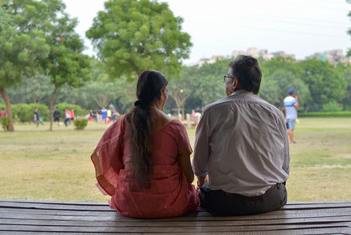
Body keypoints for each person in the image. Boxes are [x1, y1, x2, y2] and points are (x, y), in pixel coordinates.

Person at [91, 70, 199, 218]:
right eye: (166, 91)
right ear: (161, 93)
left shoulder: (125, 122)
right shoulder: (175, 127)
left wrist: (130, 173)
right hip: (170, 204)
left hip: (129, 202)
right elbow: (189, 177)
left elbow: (106, 154)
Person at [193, 55, 290, 216]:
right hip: (271, 200)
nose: (226, 82)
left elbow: (200, 164)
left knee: (206, 190)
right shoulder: (275, 113)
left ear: (234, 82)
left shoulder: (212, 111)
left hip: (226, 203)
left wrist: (203, 182)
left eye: (227, 78)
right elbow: (284, 166)